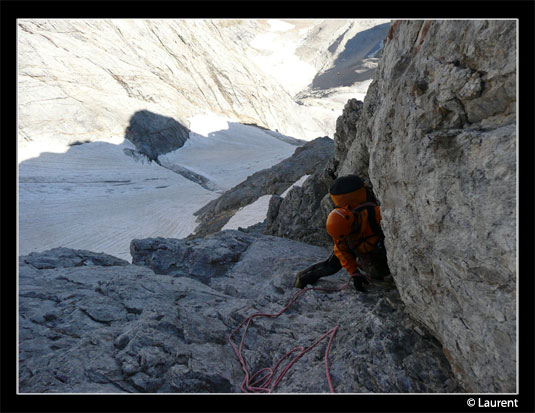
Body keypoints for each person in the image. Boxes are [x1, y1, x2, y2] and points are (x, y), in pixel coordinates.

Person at [294, 175, 390, 292]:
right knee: (332, 266)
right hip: (360, 246)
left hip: (375, 246)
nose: (350, 234)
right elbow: (341, 250)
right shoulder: (341, 227)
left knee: (379, 271)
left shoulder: (374, 215)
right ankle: (303, 278)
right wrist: (354, 273)